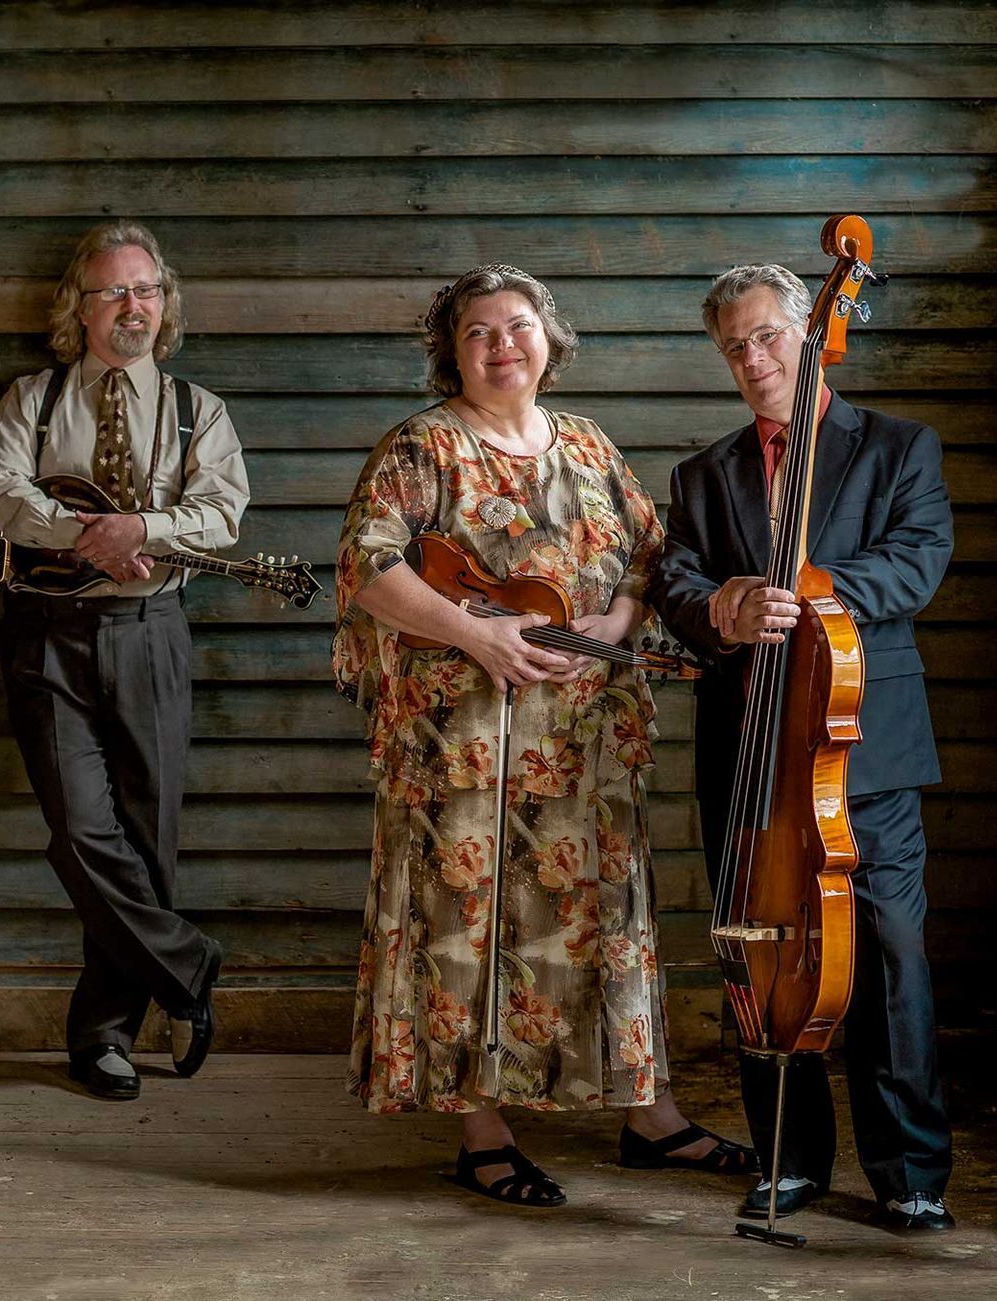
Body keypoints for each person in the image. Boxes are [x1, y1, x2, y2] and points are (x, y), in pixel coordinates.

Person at [333, 264, 753, 1207]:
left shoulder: (588, 443)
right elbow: (367, 568)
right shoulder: (422, 447)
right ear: (453, 349)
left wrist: (617, 622)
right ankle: (482, 1131)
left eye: (518, 326)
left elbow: (653, 554)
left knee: (607, 922)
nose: (501, 345)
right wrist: (478, 633)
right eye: (479, 332)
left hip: (584, 744)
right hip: (463, 748)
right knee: (464, 931)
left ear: (548, 341)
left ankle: (650, 1114)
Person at [648, 263, 956, 1232]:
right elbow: (677, 582)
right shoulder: (704, 472)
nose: (752, 358)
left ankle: (909, 1169)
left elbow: (917, 557)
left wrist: (810, 589)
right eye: (734, 345)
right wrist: (723, 606)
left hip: (865, 749)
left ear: (811, 332)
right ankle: (788, 1158)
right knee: (760, 953)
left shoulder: (900, 446)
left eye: (768, 335)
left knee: (889, 958)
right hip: (748, 753)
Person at [0, 221, 248, 1101]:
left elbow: (223, 511)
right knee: (82, 830)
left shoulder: (198, 409)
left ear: (165, 305)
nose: (135, 306)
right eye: (115, 292)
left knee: (147, 833)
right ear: (78, 308)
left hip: (152, 632)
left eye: (148, 290)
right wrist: (85, 538)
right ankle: (188, 963)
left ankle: (104, 1036)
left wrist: (146, 530)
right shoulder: (33, 399)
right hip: (49, 631)